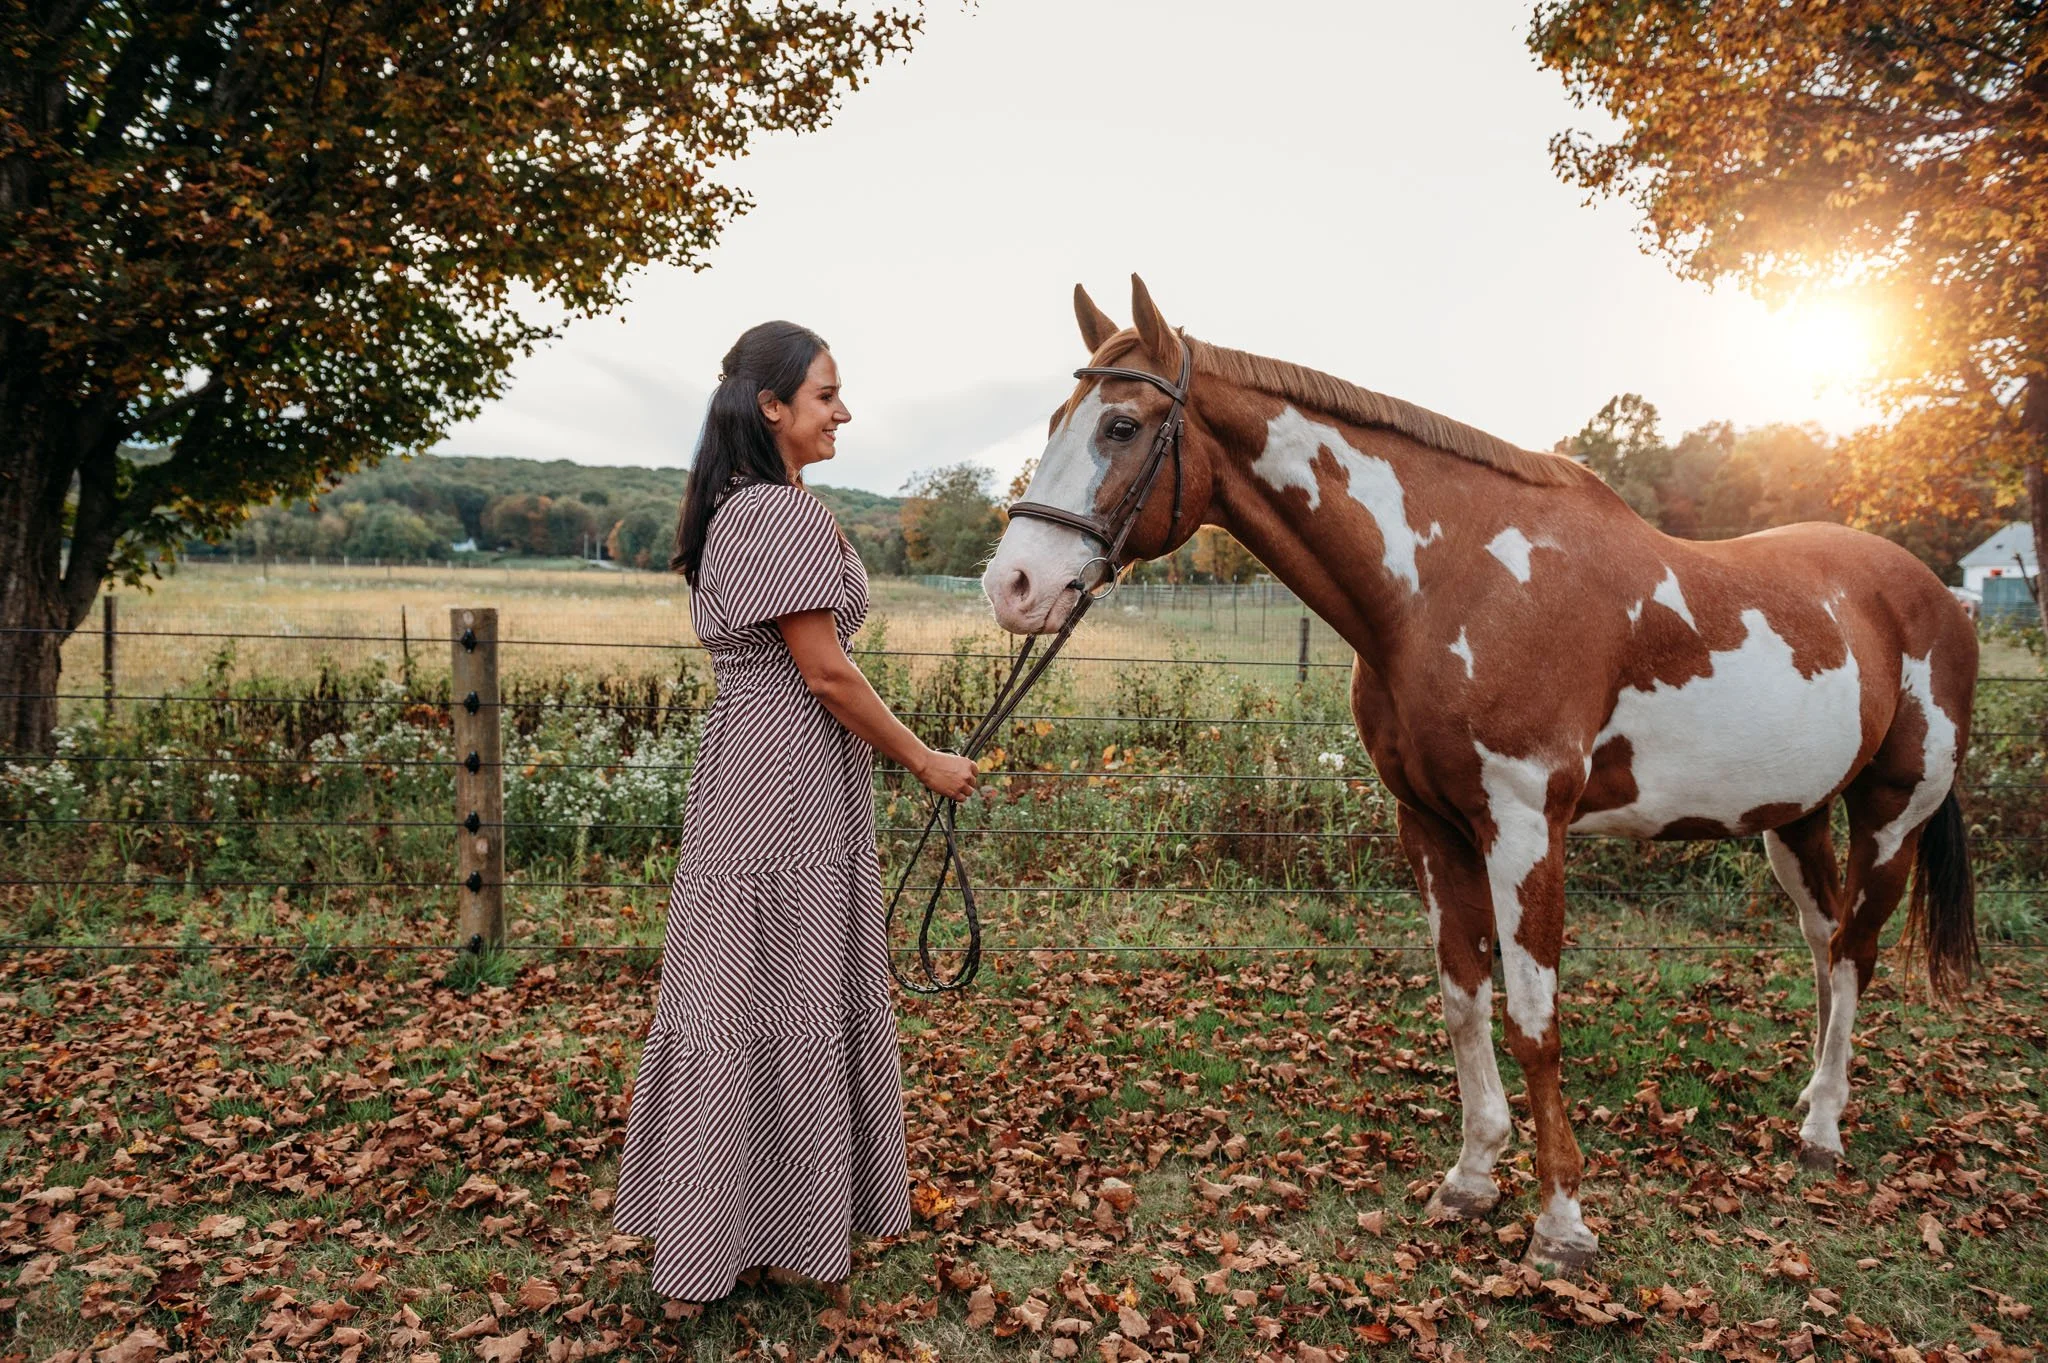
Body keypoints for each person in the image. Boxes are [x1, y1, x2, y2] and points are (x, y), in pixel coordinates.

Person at [610, 320, 979, 1304]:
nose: (842, 412)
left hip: (753, 763)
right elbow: (823, 671)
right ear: (771, 405)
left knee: (746, 995)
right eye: (825, 394)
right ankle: (749, 1237)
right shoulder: (776, 513)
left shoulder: (737, 505)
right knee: (783, 995)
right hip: (786, 771)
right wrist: (923, 760)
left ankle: (734, 1236)